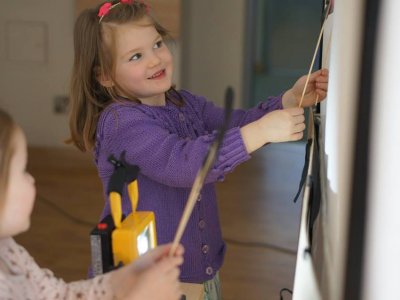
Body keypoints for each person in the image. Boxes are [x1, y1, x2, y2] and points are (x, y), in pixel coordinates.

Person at [68, 1, 329, 299]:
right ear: (105, 76)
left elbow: (234, 123)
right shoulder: (121, 123)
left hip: (195, 275)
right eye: (136, 56)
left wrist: (288, 99)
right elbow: (183, 163)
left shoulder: (183, 103)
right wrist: (260, 131)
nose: (155, 59)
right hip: (145, 282)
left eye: (157, 44)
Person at [0, 109, 184, 300]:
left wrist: (125, 279)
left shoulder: (8, 251)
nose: (31, 179)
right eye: (22, 170)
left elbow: (58, 295)